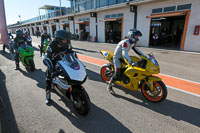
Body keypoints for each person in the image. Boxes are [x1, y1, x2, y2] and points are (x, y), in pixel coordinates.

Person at [107, 29, 142, 94]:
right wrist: (130, 62)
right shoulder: (125, 42)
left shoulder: (132, 43)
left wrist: (145, 57)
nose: (137, 38)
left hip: (123, 57)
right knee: (118, 72)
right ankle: (109, 86)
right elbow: (124, 53)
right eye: (136, 36)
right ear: (132, 36)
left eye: (138, 36)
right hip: (117, 57)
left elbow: (137, 50)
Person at [43, 30, 72, 104]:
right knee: (48, 77)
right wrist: (51, 69)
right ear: (59, 39)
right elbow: (47, 58)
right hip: (53, 63)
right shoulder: (51, 45)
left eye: (67, 39)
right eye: (64, 39)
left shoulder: (67, 44)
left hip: (64, 61)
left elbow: (72, 53)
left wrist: (76, 63)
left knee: (70, 74)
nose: (66, 41)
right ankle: (48, 95)